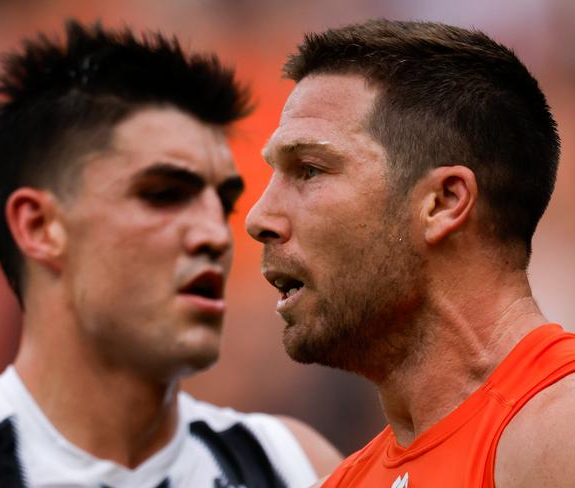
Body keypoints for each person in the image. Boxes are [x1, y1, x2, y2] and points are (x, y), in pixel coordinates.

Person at [0, 20, 342, 488]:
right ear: (40, 227)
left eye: (222, 203)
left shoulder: (294, 465)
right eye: (163, 194)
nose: (217, 236)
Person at [246, 19, 574, 487]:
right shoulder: (344, 481)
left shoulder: (559, 432)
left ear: (443, 202)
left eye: (310, 170)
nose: (258, 218)